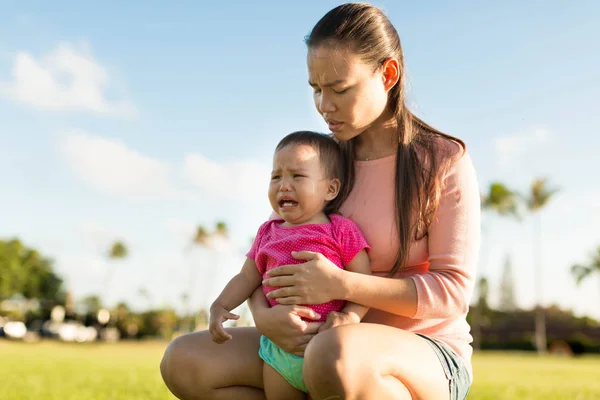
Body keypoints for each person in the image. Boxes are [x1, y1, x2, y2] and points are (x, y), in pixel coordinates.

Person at [160, 3, 480, 400]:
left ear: (388, 74)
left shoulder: (443, 160)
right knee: (185, 359)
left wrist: (343, 285)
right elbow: (272, 252)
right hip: (314, 338)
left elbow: (451, 291)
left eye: (340, 89)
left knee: (335, 355)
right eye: (315, 88)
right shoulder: (321, 160)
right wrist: (266, 317)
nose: (324, 105)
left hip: (422, 351)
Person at [208, 131, 371, 399]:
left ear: (330, 188)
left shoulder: (340, 230)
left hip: (328, 346)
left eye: (297, 176)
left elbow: (362, 279)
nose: (284, 185)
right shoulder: (267, 232)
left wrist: (350, 316)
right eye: (276, 176)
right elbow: (247, 276)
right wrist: (220, 305)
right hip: (279, 354)